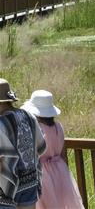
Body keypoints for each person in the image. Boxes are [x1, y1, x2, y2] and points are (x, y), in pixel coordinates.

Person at [21, 91, 83, 209]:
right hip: (60, 170)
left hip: (41, 172)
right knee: (61, 203)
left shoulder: (35, 129)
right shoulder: (58, 127)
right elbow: (62, 153)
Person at [0, 79, 47, 209]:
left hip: (6, 186)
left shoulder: (1, 124)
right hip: (30, 181)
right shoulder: (28, 116)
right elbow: (41, 146)